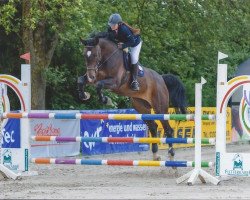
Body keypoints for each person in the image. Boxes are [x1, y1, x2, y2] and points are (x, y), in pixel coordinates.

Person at [107, 13, 142, 91]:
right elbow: (110, 38)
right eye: (110, 24)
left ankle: (134, 81)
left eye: (113, 24)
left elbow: (132, 41)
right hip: (124, 42)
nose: (111, 26)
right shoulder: (110, 28)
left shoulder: (124, 29)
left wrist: (123, 46)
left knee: (133, 58)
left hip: (134, 44)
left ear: (119, 24)